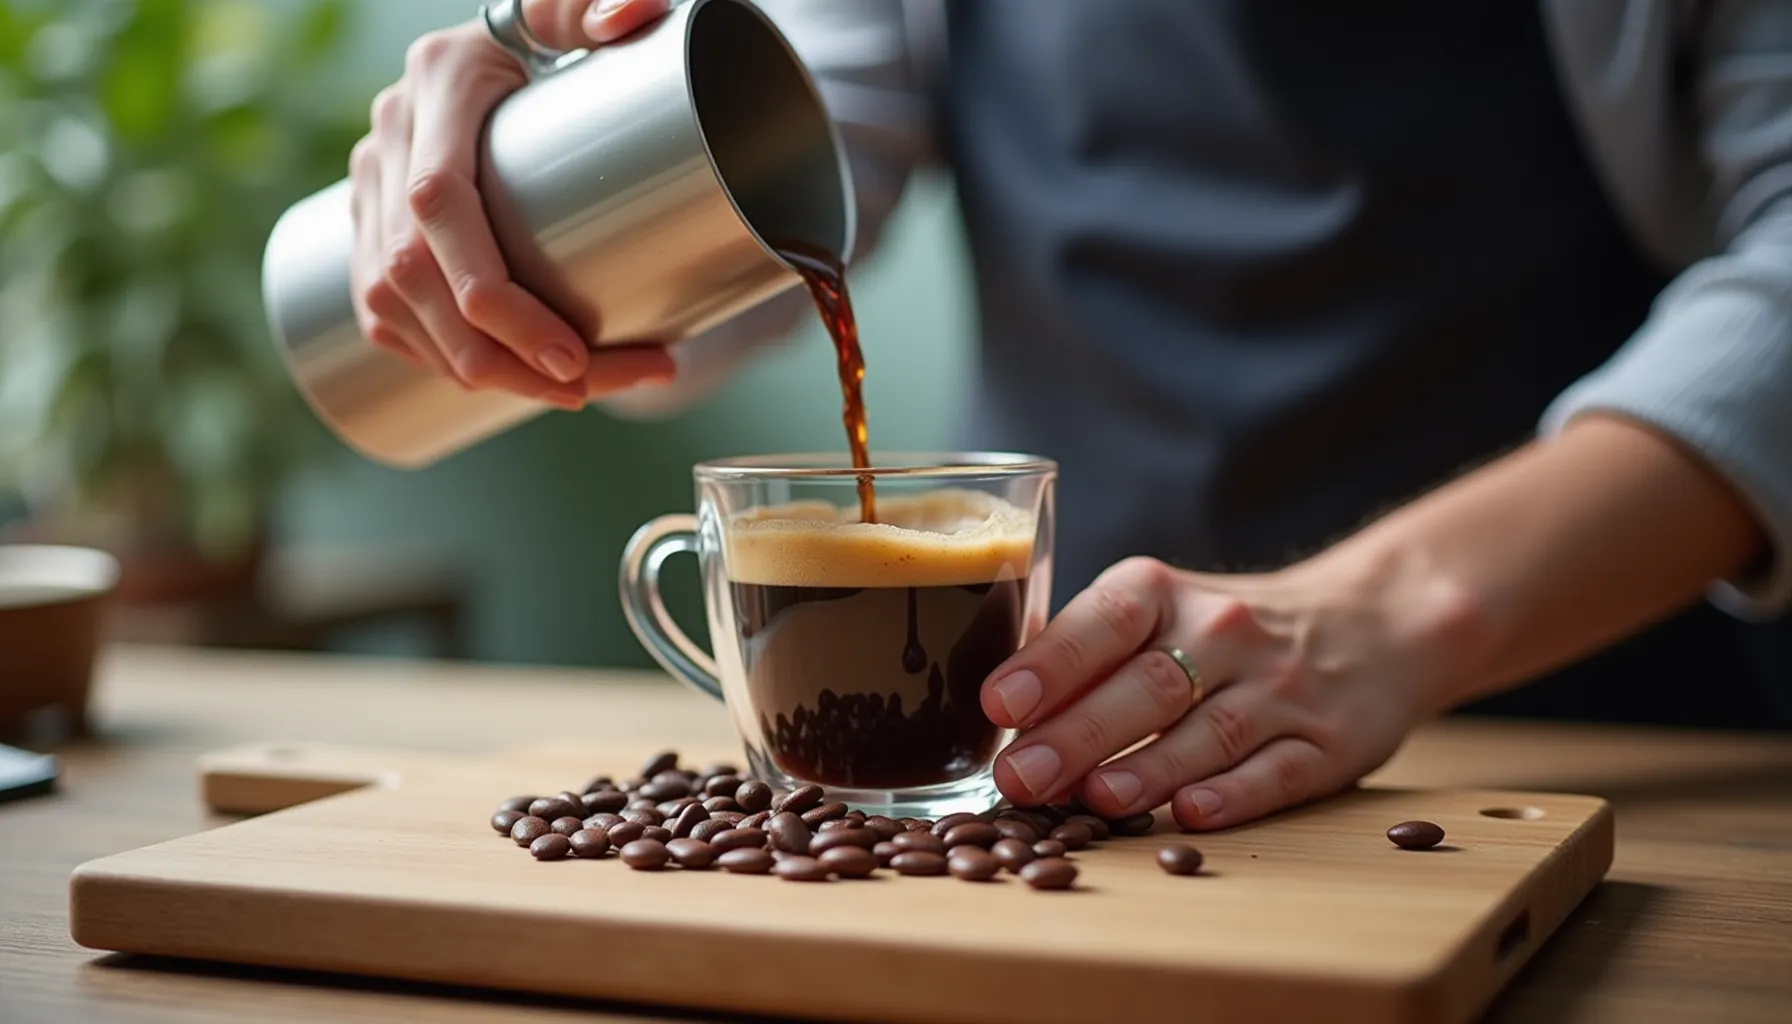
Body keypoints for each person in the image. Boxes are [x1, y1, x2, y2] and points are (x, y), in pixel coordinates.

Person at [348, 0, 1792, 831]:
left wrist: (1402, 610)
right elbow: (808, 135)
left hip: (1611, 746)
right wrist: (529, 155)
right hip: (1066, 759)